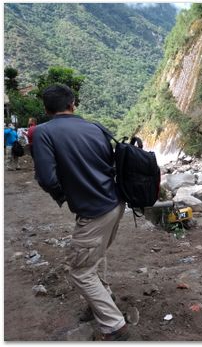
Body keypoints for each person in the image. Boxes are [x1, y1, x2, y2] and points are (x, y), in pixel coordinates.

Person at [32, 84, 129, 341]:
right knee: (94, 257)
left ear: (46, 108)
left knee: (81, 272)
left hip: (93, 211)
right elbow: (109, 163)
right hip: (116, 204)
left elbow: (46, 178)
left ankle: (114, 325)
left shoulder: (43, 132)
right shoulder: (95, 127)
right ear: (73, 104)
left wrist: (65, 195)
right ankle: (103, 298)